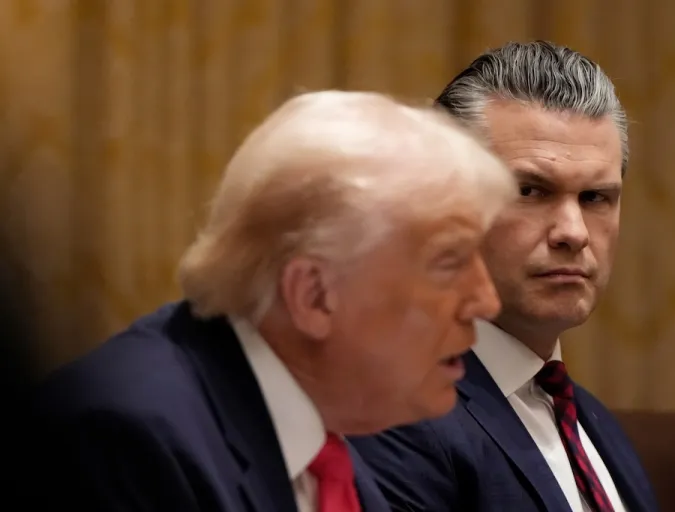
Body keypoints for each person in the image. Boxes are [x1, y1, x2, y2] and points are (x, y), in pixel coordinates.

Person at [30, 91, 515, 511]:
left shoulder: (333, 450)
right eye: (449, 263)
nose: (486, 301)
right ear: (314, 296)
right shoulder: (125, 440)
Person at [349, 41, 659, 512]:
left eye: (595, 197)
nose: (573, 233)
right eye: (530, 190)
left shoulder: (597, 425)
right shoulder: (393, 412)